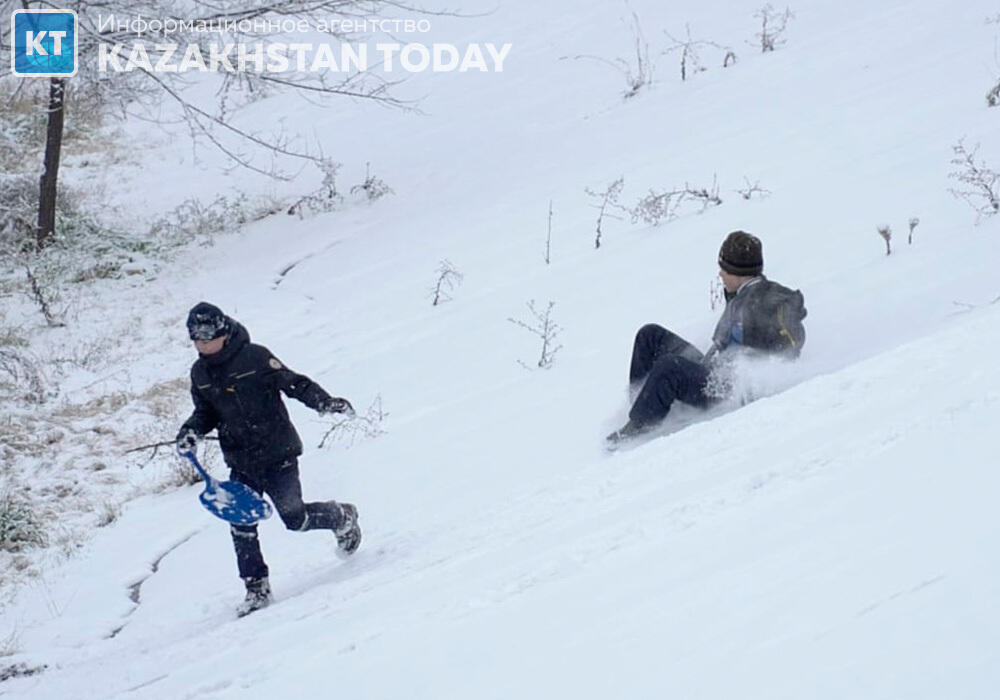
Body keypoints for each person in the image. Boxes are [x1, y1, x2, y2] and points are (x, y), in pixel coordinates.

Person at [176, 302, 361, 616]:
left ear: (222, 330)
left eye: (207, 336)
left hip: (278, 453)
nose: (202, 343)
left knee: (295, 518)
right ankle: (256, 589)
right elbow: (205, 412)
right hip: (240, 459)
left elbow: (294, 383)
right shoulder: (200, 373)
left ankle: (342, 516)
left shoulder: (255, 357)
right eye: (196, 338)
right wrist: (191, 430)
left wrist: (324, 402)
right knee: (241, 523)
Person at [607, 231, 807, 445]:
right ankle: (642, 405)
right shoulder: (748, 291)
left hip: (723, 389)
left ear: (738, 272)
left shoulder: (756, 303)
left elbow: (765, 358)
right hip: (716, 370)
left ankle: (637, 432)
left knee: (669, 368)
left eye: (724, 269)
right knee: (650, 335)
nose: (720, 274)